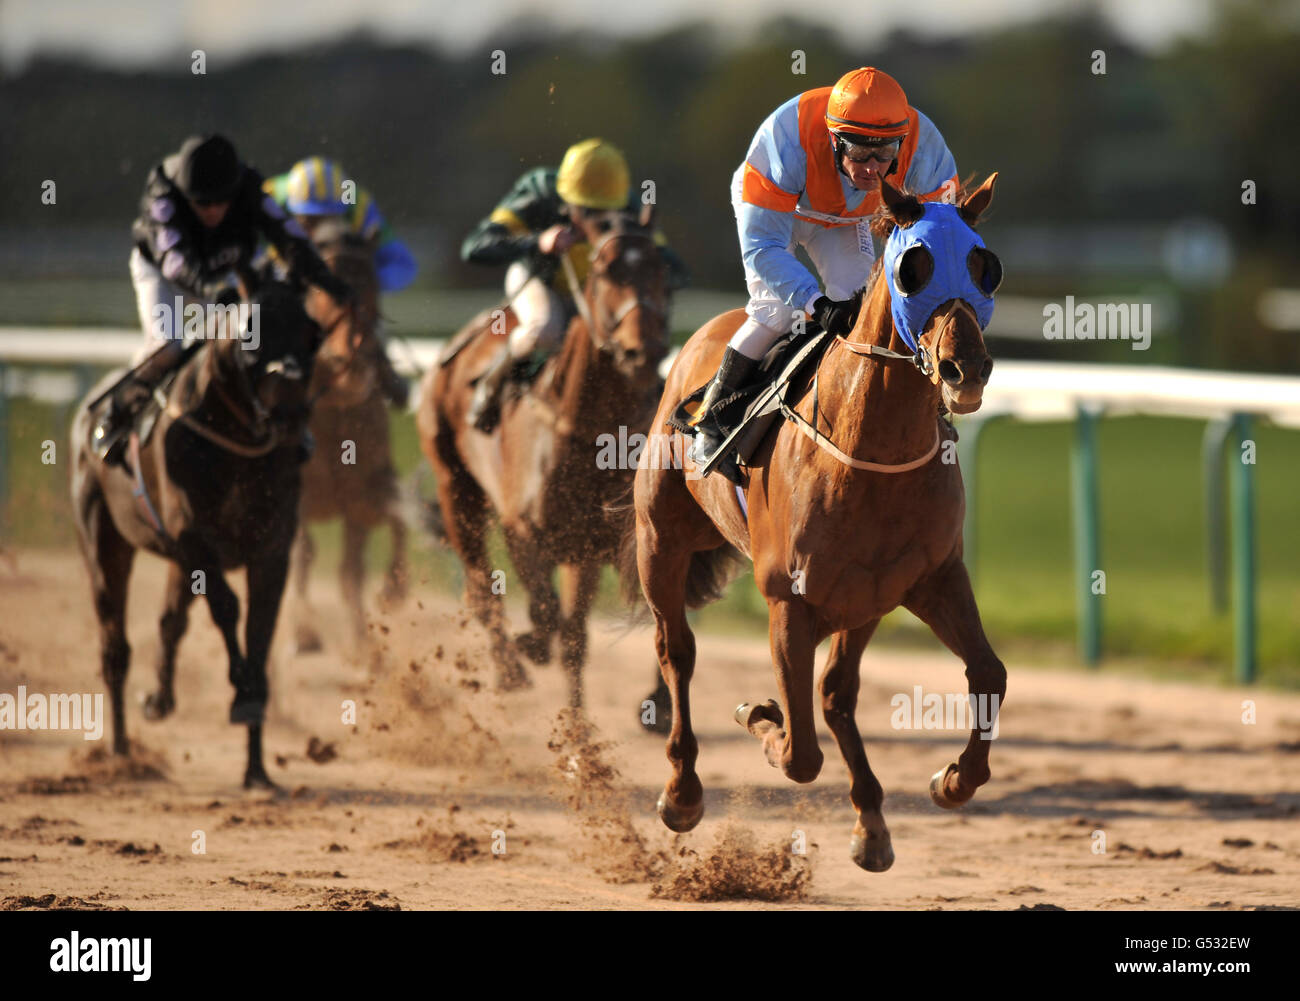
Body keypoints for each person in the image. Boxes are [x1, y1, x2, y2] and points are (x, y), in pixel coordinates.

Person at [689, 66, 960, 480]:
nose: (872, 168)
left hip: (845, 219)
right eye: (858, 153)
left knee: (860, 308)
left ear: (901, 143)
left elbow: (941, 237)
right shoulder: (786, 140)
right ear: (834, 140)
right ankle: (713, 418)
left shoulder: (926, 151)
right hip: (776, 208)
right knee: (777, 311)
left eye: (885, 154)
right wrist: (815, 302)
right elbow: (764, 248)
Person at [94, 134, 350, 466]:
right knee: (168, 347)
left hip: (222, 274)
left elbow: (289, 237)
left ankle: (280, 420)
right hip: (164, 273)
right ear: (187, 196)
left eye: (221, 202)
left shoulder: (249, 187)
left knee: (259, 338)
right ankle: (117, 413)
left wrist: (326, 279)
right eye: (203, 203)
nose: (213, 210)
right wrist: (211, 291)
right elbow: (175, 261)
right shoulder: (163, 196)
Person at [460, 137, 688, 433]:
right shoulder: (538, 192)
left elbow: (675, 269)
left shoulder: (628, 205)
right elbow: (475, 247)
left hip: (595, 293)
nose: (598, 222)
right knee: (545, 328)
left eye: (606, 213)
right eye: (589, 212)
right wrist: (537, 242)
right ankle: (491, 389)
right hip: (539, 280)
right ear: (567, 202)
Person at [262, 156, 416, 405]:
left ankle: (384, 372)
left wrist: (362, 279)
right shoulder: (267, 198)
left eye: (328, 219)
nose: (320, 230)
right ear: (292, 208)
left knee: (363, 310)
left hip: (336, 287)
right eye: (310, 221)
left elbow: (404, 266)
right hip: (277, 279)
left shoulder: (358, 204)